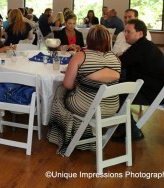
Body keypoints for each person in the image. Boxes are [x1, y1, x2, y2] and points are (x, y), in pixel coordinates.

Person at [47, 25, 121, 156]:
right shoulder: (116, 59)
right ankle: (83, 132)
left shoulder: (81, 56)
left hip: (86, 107)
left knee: (60, 91)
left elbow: (68, 85)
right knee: (80, 92)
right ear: (108, 40)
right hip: (111, 108)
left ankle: (63, 134)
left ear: (89, 40)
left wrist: (77, 80)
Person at [115, 19, 164, 141]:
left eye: (128, 32)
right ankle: (122, 123)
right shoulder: (143, 45)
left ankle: (132, 131)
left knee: (114, 95)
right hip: (156, 90)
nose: (125, 34)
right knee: (117, 84)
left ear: (140, 33)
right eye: (125, 32)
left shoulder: (141, 47)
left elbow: (119, 63)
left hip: (152, 93)